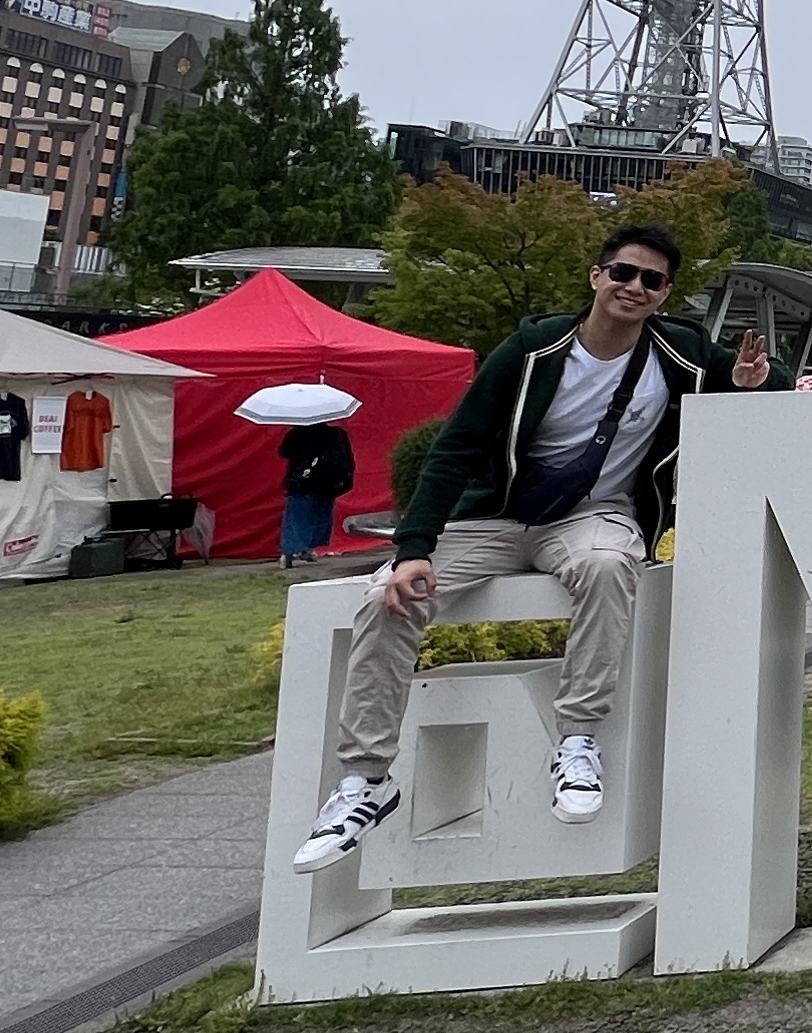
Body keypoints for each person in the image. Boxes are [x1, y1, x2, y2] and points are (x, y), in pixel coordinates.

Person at [290, 225, 768, 866]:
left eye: (652, 280)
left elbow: (763, 382)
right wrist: (415, 547)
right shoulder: (533, 349)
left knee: (607, 566)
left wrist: (745, 380)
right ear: (597, 276)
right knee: (388, 598)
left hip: (593, 516)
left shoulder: (679, 352)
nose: (635, 287)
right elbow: (457, 447)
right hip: (495, 519)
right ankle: (365, 781)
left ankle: (576, 740)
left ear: (665, 294)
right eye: (623, 273)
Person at [275, 415, 356, 568]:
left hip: (301, 481)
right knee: (319, 516)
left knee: (297, 516)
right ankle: (306, 548)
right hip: (326, 483)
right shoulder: (335, 434)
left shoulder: (296, 434)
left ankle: (291, 551)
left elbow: (284, 452)